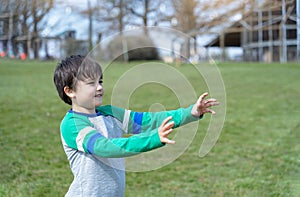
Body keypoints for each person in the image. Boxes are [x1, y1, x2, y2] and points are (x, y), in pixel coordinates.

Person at [53, 55, 219, 197]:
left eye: (100, 81)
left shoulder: (110, 113)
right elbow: (106, 147)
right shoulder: (72, 125)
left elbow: (148, 120)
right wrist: (153, 139)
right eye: (91, 83)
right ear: (70, 91)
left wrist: (191, 112)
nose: (100, 87)